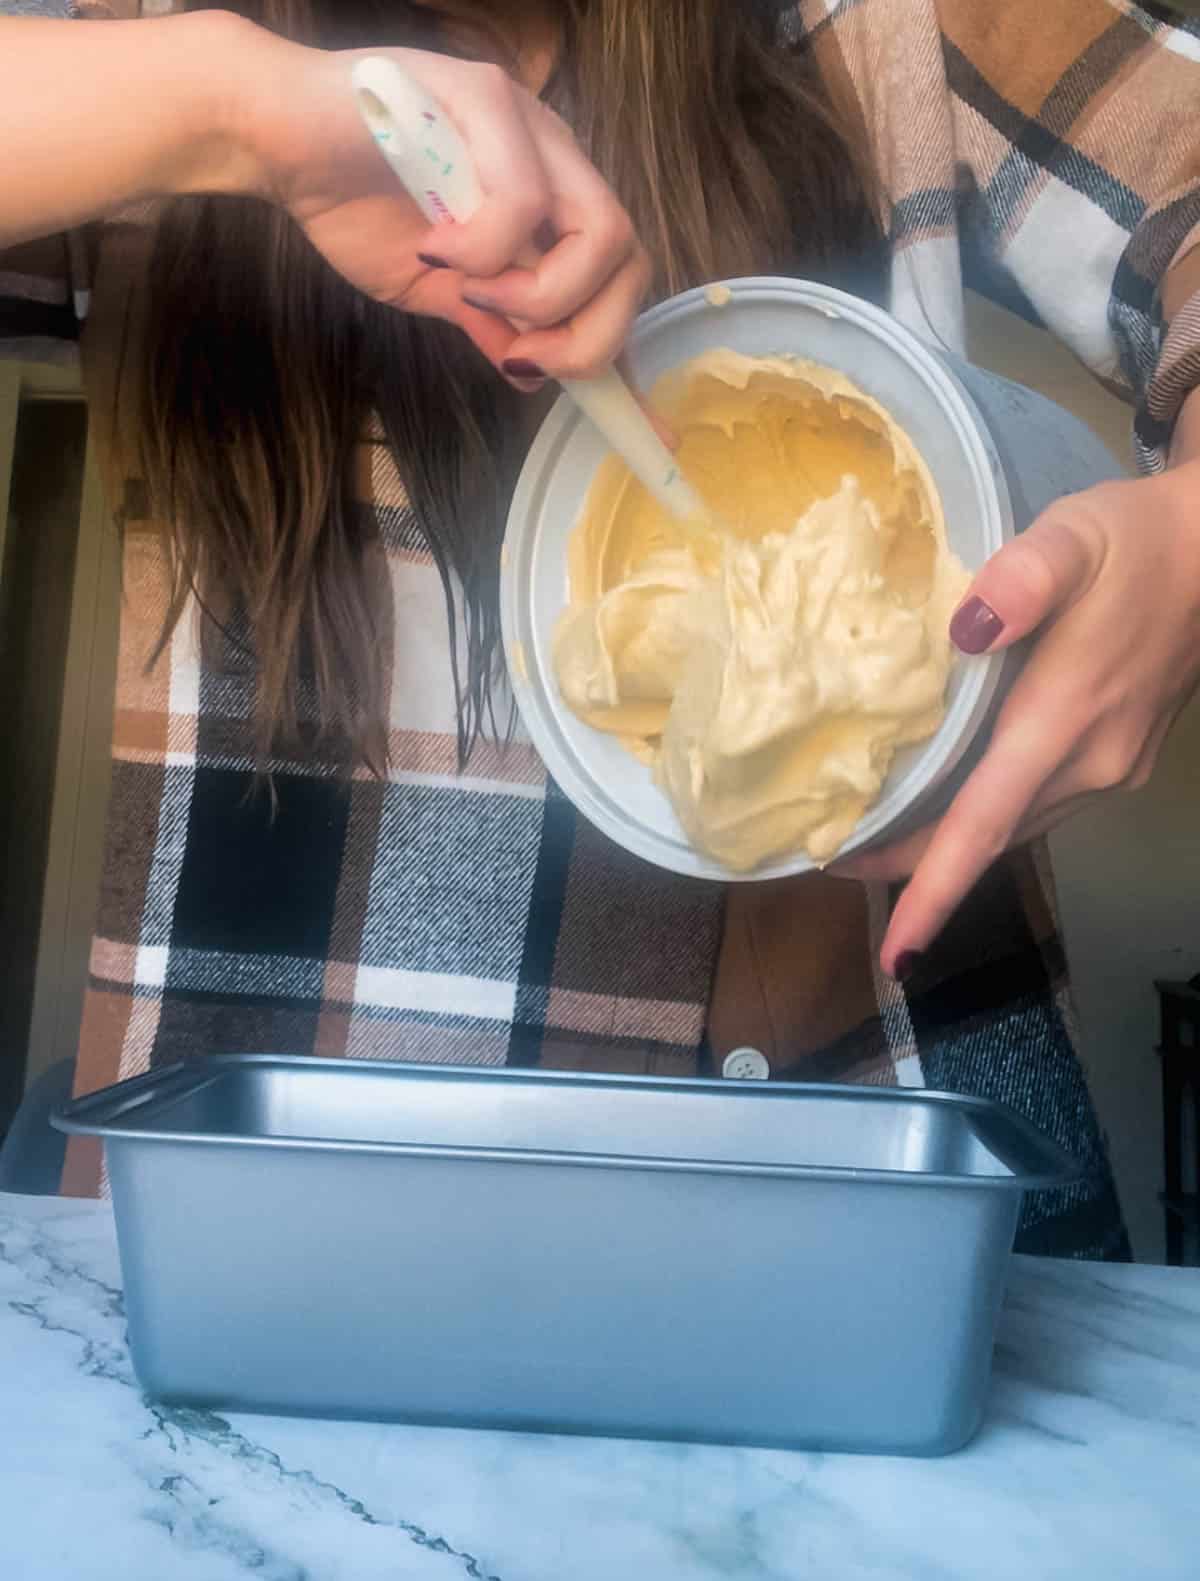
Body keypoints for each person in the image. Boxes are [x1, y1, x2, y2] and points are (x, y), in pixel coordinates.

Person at [1, 0, 1197, 1258]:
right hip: (288, 1213)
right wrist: (235, 107)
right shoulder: (151, 38)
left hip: (870, 1199)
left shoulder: (881, 24)